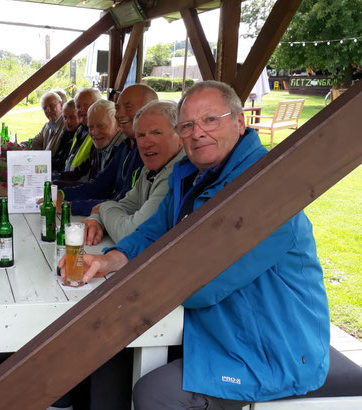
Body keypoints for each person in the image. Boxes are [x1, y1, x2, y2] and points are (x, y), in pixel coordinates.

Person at [68, 81, 330, 408]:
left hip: (269, 347)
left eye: (210, 120)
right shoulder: (189, 175)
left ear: (239, 121)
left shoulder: (267, 189)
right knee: (108, 354)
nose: (197, 133)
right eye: (188, 125)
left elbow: (201, 288)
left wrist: (138, 282)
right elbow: (153, 231)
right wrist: (111, 259)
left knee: (155, 393)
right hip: (215, 328)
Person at [82, 100, 184, 245]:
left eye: (156, 133)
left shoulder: (176, 172)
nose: (146, 143)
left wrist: (102, 208)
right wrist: (95, 220)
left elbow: (130, 233)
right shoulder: (150, 169)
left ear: (180, 136)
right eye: (141, 135)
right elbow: (127, 205)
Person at [55, 84, 156, 215]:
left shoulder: (148, 153)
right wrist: (61, 193)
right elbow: (99, 186)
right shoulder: (126, 147)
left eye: (128, 107)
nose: (119, 114)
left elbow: (125, 204)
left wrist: (71, 206)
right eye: (118, 108)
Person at [60, 88, 102, 174]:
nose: (81, 110)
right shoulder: (80, 130)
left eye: (86, 105)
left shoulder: (100, 135)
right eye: (78, 106)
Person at [51, 99, 80, 171]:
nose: (68, 121)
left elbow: (63, 162)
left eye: (72, 117)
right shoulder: (66, 132)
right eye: (65, 117)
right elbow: (57, 157)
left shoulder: (80, 135)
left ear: (80, 115)